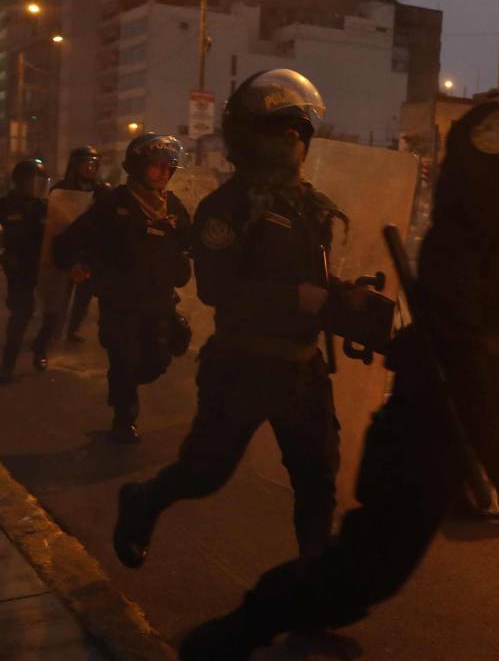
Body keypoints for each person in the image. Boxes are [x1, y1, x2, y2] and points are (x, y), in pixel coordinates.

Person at [176, 0, 499, 661]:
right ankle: (232, 634)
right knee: (368, 570)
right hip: (447, 386)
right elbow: (456, 271)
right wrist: (476, 382)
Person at [113, 71, 372, 567]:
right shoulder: (226, 208)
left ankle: (310, 593)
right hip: (242, 365)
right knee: (206, 471)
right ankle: (144, 499)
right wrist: (294, 299)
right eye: (283, 130)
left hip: (304, 369)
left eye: (300, 131)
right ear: (254, 139)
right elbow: (217, 288)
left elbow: (314, 281)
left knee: (318, 481)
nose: (295, 140)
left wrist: (345, 296)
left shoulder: (309, 208)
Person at [54, 135, 191, 443]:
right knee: (123, 360)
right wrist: (77, 263)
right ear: (138, 167)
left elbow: (191, 243)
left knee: (156, 363)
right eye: (156, 167)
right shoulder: (114, 204)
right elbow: (73, 240)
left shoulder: (174, 207)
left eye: (168, 168)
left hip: (159, 302)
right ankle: (124, 419)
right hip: (120, 303)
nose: (163, 174)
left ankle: (127, 385)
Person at [0, 158, 56, 382]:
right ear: (18, 181)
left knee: (53, 314)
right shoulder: (4, 205)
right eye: (32, 180)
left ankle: (40, 348)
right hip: (19, 270)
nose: (36, 185)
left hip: (46, 268)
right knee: (21, 316)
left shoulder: (47, 207)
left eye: (41, 181)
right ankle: (7, 366)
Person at [51, 145, 111, 342]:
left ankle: (73, 329)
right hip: (66, 249)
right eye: (86, 164)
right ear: (75, 165)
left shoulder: (102, 191)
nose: (90, 168)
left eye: (94, 164)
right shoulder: (60, 189)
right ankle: (52, 331)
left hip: (89, 251)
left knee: (84, 295)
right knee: (60, 295)